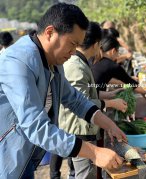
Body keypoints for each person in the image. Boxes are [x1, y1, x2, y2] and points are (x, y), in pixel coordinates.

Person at [0, 3, 126, 179]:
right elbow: (37, 128)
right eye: (72, 44)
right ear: (50, 32)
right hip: (5, 156)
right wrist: (95, 153)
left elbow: (75, 99)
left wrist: (108, 124)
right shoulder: (17, 62)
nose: (74, 52)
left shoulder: (53, 62)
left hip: (23, 154)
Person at [50, 21, 128, 179]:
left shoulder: (81, 63)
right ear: (97, 44)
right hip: (80, 130)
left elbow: (83, 94)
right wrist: (112, 103)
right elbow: (82, 102)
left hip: (83, 128)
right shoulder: (76, 65)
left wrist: (110, 95)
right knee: (84, 175)